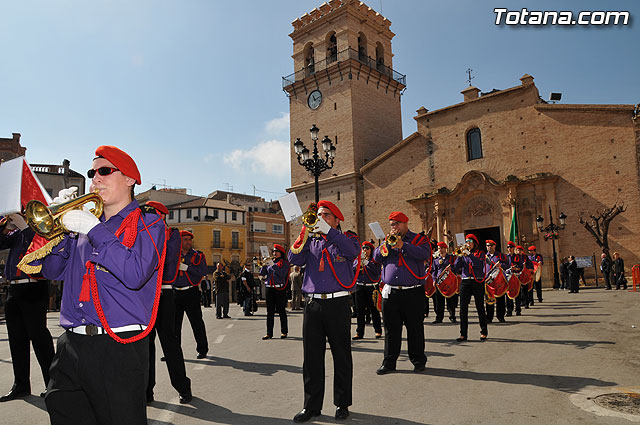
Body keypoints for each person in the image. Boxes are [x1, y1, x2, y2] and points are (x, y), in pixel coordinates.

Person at [30, 145, 166, 424]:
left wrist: (94, 230)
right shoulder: (82, 224)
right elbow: (52, 271)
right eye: (93, 173)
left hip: (118, 347)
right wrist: (62, 232)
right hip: (71, 345)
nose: (95, 179)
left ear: (129, 179)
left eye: (104, 171)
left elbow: (135, 273)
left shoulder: (148, 223)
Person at [288, 200, 360, 422]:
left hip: (338, 304)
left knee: (341, 355)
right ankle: (311, 406)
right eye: (319, 215)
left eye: (326, 215)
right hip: (313, 304)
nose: (320, 218)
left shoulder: (346, 239)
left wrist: (329, 232)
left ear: (337, 220)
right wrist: (305, 233)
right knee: (311, 358)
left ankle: (342, 403)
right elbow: (293, 258)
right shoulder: (312, 241)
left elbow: (353, 252)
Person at [0, 215, 54, 402]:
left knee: (40, 339)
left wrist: (24, 226)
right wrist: (5, 227)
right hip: (14, 288)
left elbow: (42, 244)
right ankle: (21, 385)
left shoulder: (40, 227)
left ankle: (52, 385)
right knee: (16, 339)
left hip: (34, 286)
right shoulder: (15, 234)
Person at [143, 201, 192, 405]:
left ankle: (182, 387)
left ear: (162, 216)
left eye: (152, 215)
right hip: (145, 295)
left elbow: (168, 259)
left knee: (169, 343)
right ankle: (147, 390)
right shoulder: (142, 233)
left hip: (164, 294)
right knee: (146, 345)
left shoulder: (171, 235)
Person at [373, 211, 430, 374]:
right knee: (391, 330)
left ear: (405, 224)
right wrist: (386, 246)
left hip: (413, 292)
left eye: (397, 223)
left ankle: (418, 360)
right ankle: (389, 362)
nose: (394, 227)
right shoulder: (387, 241)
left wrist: (404, 246)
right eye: (392, 224)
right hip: (391, 293)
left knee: (415, 328)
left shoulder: (419, 240)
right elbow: (377, 257)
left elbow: (424, 254)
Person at [174, 230, 209, 359]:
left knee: (197, 323)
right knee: (174, 325)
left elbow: (203, 271)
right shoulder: (173, 255)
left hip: (191, 292)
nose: (188, 242)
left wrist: (187, 268)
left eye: (190, 239)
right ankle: (174, 352)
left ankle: (202, 349)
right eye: (185, 239)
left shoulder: (198, 256)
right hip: (175, 292)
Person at [452, 234, 488, 342]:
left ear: (474, 243)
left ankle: (483, 332)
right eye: (466, 242)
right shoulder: (463, 254)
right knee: (463, 308)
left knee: (480, 307)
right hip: (466, 281)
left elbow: (479, 264)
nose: (467, 244)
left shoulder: (480, 253)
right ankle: (463, 334)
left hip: (477, 281)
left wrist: (469, 255)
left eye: (470, 241)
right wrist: (459, 257)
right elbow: (455, 269)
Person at [352, 241, 382, 340]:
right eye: (363, 248)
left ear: (371, 250)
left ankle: (378, 330)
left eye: (367, 248)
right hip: (360, 286)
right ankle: (359, 332)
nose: (365, 250)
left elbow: (377, 272)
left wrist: (368, 263)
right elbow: (352, 269)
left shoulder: (375, 260)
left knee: (374, 309)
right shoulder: (358, 259)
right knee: (360, 310)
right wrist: (358, 265)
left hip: (371, 287)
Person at [260, 244, 290, 340]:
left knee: (281, 311)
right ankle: (269, 333)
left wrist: (272, 265)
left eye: (276, 251)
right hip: (269, 288)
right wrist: (264, 265)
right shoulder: (270, 262)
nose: (274, 253)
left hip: (279, 289)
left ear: (281, 253)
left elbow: (282, 274)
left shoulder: (284, 263)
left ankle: (284, 331)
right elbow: (262, 273)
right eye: (273, 251)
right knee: (270, 312)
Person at [431, 241, 458, 324]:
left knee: (450, 300)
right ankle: (439, 318)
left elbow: (457, 267)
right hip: (439, 282)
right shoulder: (436, 259)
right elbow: (433, 271)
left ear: (445, 249)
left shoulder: (451, 258)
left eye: (442, 248)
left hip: (449, 281)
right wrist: (434, 279)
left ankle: (452, 316)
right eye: (439, 248)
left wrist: (452, 268)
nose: (440, 250)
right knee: (439, 301)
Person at [485, 240, 509, 323]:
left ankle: (500, 316)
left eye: (491, 245)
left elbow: (507, 265)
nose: (489, 247)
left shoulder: (500, 255)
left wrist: (501, 265)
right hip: (489, 280)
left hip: (499, 280)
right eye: (488, 245)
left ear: (494, 246)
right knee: (489, 299)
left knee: (500, 299)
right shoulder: (484, 257)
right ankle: (489, 317)